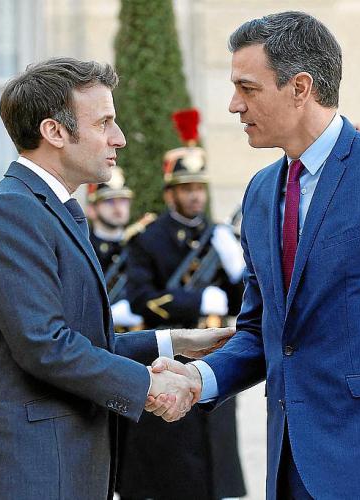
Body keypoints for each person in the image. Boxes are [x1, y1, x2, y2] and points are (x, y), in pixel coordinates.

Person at [148, 11, 360, 500]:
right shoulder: (260, 192)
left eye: (248, 88)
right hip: (288, 467)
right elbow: (264, 331)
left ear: (300, 87)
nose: (234, 105)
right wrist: (197, 378)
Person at [0, 57, 233, 499]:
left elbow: (79, 339)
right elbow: (45, 346)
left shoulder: (50, 208)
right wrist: (150, 385)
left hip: (61, 458)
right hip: (32, 464)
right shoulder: (11, 210)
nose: (119, 138)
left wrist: (173, 342)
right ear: (54, 132)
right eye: (104, 122)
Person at [117, 109, 246, 500]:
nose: (195, 195)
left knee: (215, 455)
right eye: (186, 187)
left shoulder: (218, 237)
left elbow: (241, 302)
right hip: (169, 357)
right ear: (170, 192)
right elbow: (142, 298)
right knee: (172, 465)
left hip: (212, 356)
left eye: (199, 188)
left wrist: (239, 272)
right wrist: (195, 300)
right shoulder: (149, 238)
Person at [86, 167, 145, 330]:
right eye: (109, 201)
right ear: (92, 209)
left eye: (123, 200)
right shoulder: (84, 246)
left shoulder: (140, 243)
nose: (118, 207)